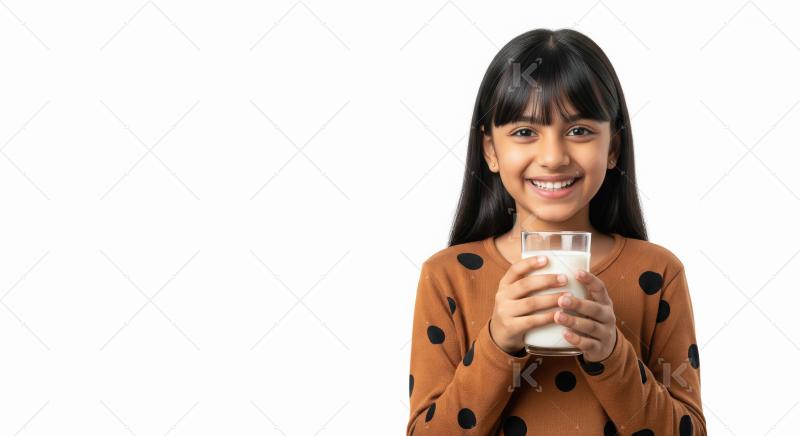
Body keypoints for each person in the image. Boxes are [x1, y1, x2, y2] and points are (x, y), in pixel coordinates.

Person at [406, 28, 705, 435]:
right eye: (525, 132)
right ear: (491, 150)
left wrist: (612, 354)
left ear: (613, 147)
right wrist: (497, 343)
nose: (553, 157)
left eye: (579, 130)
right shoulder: (448, 278)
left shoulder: (657, 272)